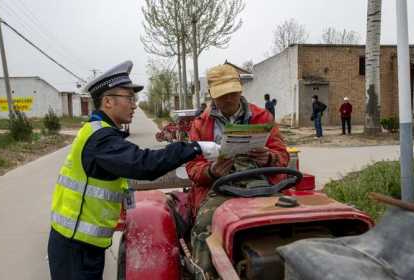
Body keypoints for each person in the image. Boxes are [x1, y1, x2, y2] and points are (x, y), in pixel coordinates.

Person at [47, 60, 219, 280]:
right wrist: (195, 147)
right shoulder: (101, 139)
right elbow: (144, 164)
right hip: (75, 246)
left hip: (82, 242)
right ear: (108, 101)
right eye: (129, 98)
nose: (134, 104)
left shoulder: (102, 132)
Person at [186, 64, 289, 278]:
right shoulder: (200, 124)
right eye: (222, 95)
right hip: (219, 189)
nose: (229, 99)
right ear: (212, 95)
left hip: (262, 186)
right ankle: (204, 274)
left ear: (240, 89)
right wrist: (212, 171)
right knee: (205, 228)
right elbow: (193, 168)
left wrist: (269, 157)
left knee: (293, 219)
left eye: (233, 92)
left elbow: (282, 156)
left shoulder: (263, 117)